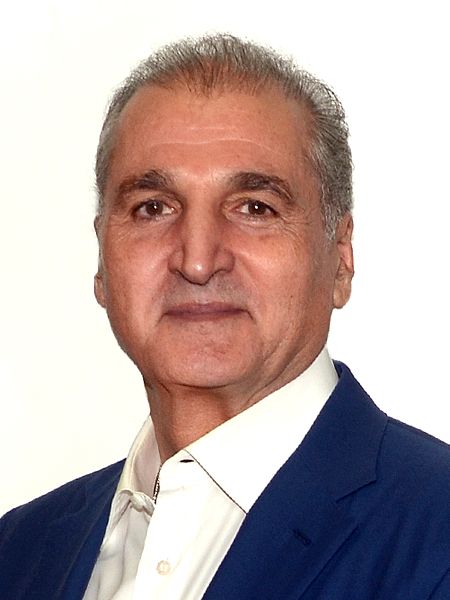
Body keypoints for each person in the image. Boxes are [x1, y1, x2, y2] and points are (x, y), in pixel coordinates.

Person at [1, 33, 450, 600]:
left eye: (255, 208)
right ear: (102, 263)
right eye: (152, 208)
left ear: (340, 258)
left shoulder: (436, 534)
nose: (197, 259)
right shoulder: (19, 551)